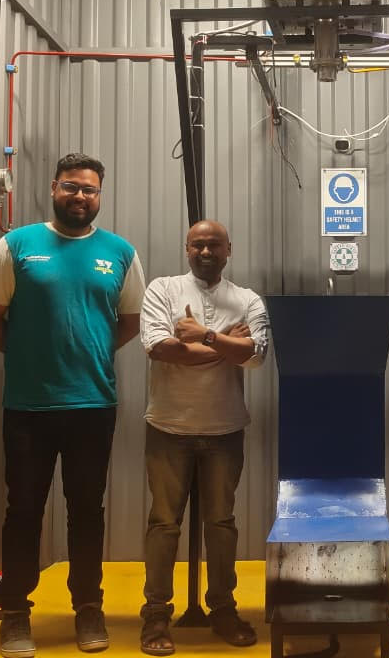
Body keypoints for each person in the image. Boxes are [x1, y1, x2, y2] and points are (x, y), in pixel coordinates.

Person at [0, 153, 145, 658]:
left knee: (87, 511)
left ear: (100, 196)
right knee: (23, 509)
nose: (80, 197)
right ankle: (15, 614)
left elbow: (130, 321)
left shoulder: (119, 253)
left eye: (90, 190)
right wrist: (31, 356)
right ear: (54, 189)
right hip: (28, 407)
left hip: (93, 406)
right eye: (71, 187)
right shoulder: (17, 245)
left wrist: (86, 353)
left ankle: (88, 609)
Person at [138, 220, 270, 656]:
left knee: (221, 525)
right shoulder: (163, 289)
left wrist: (202, 337)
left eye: (214, 244)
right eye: (198, 244)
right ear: (187, 248)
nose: (206, 251)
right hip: (168, 428)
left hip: (224, 430)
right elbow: (161, 347)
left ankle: (223, 610)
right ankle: (156, 615)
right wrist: (224, 346)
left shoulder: (247, 299)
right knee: (163, 525)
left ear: (229, 249)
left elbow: (256, 356)